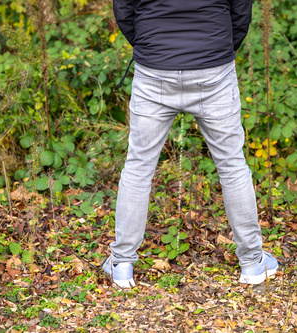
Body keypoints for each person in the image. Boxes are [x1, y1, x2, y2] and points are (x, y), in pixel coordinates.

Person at [103, 0, 278, 288]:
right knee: (232, 166)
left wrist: (152, 46)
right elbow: (240, 11)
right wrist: (218, 49)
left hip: (155, 67)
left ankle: (122, 265)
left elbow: (124, 9)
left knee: (138, 168)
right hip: (213, 68)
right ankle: (252, 263)